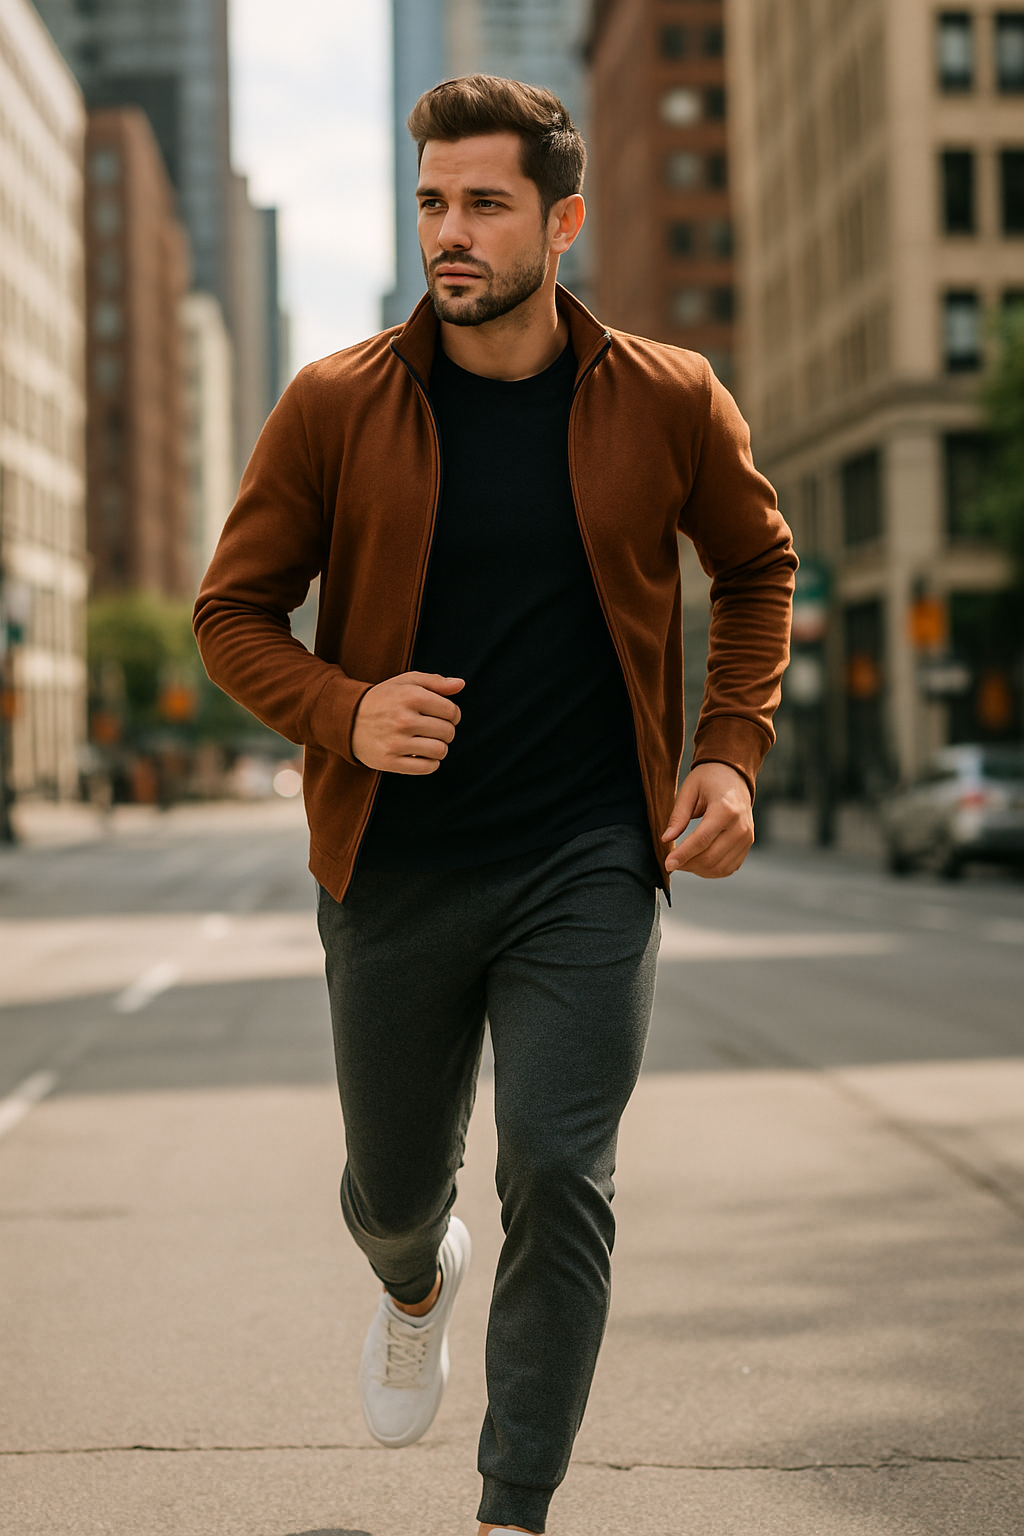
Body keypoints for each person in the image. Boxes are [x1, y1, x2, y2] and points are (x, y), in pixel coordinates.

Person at [194, 74, 795, 1536]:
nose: (448, 234)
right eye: (431, 204)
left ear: (563, 222)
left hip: (587, 856)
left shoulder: (666, 396)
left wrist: (727, 751)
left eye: (483, 204)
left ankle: (512, 1509)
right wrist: (347, 708)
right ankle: (415, 1279)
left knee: (561, 1174)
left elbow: (758, 563)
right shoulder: (337, 403)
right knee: (394, 1192)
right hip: (395, 866)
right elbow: (233, 612)